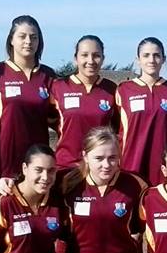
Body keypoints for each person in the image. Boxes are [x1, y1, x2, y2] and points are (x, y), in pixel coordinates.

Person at [0, 15, 56, 202]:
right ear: (11, 40)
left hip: (38, 167)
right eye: (22, 36)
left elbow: (61, 120)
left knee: (35, 216)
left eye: (34, 37)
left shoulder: (49, 76)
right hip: (2, 164)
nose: (28, 41)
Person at [116, 37, 167, 186]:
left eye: (156, 55)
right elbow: (114, 127)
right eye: (146, 55)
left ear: (163, 59)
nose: (151, 60)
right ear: (138, 60)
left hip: (164, 164)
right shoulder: (123, 89)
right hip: (131, 163)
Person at [51, 35, 119, 170]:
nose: (90, 61)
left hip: (99, 168)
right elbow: (48, 121)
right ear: (75, 58)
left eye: (96, 55)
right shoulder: (58, 87)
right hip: (66, 166)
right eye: (84, 55)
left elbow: (117, 129)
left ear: (103, 59)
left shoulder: (112, 90)